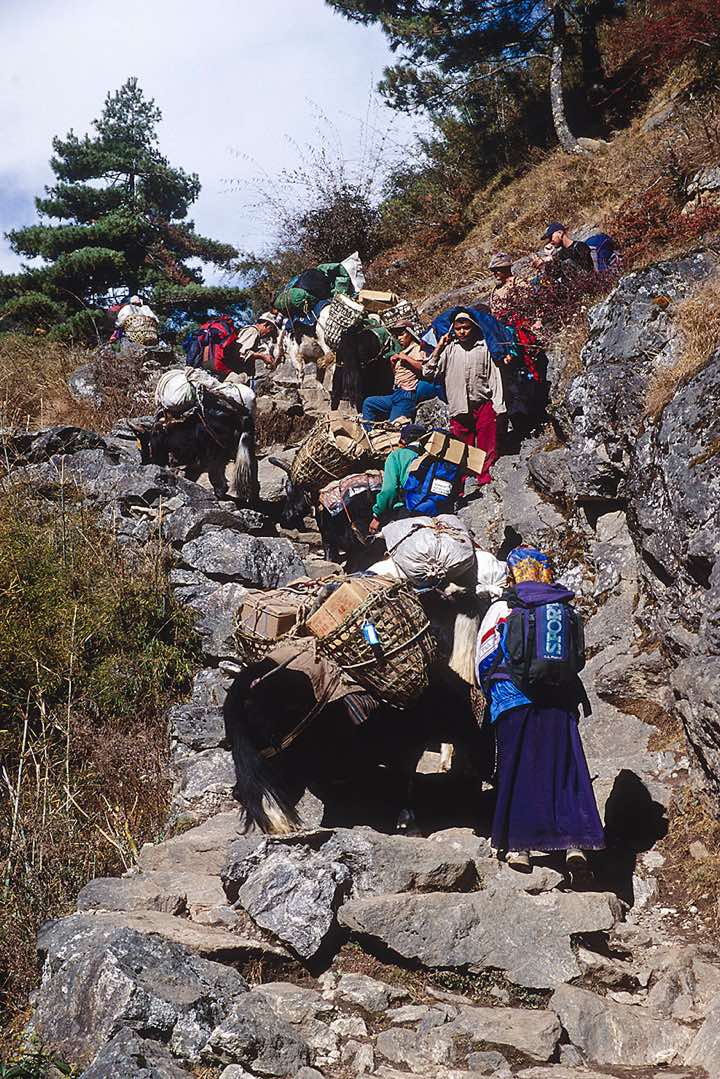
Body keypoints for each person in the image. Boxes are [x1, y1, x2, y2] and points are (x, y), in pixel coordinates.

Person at [475, 546, 605, 874]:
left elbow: (485, 658)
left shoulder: (503, 607)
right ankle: (576, 844)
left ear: (512, 573)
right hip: (559, 698)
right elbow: (576, 658)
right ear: (546, 571)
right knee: (564, 768)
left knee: (517, 767)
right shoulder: (562, 607)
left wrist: (490, 690)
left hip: (513, 697)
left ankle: (521, 848)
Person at [422, 310, 505, 489]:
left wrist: (498, 404)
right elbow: (428, 372)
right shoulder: (449, 349)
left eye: (466, 328)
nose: (462, 332)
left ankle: (484, 478)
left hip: (483, 403)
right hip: (459, 406)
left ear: (473, 328)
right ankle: (459, 484)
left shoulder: (483, 348)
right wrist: (439, 348)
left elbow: (494, 377)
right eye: (458, 328)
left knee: (486, 444)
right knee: (460, 448)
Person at [361, 321, 436, 426]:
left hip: (407, 395)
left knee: (393, 426)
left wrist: (406, 358)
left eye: (402, 334)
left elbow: (424, 369)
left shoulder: (417, 348)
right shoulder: (403, 351)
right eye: (397, 335)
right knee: (369, 403)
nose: (399, 338)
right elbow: (398, 374)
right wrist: (393, 364)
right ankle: (368, 434)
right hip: (396, 393)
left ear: (409, 334)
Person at [368, 423, 426, 534]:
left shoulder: (396, 456)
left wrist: (377, 516)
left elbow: (389, 490)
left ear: (403, 441)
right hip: (431, 508)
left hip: (405, 510)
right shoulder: (430, 456)